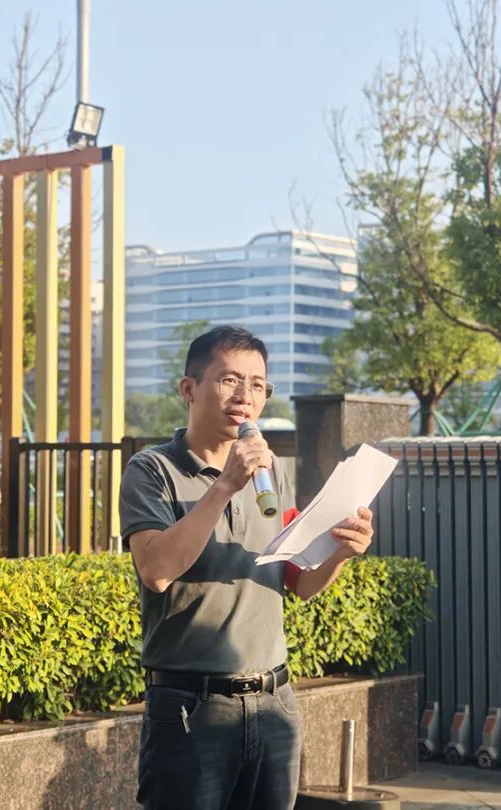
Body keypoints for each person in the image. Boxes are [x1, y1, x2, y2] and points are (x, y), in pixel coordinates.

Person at [119, 325, 375, 810]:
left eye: (258, 384)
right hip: (191, 709)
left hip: (275, 703)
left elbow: (300, 581)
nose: (246, 396)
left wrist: (341, 551)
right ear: (189, 388)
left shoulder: (270, 470)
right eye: (230, 380)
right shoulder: (152, 471)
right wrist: (223, 486)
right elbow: (156, 570)